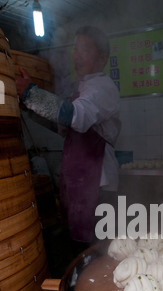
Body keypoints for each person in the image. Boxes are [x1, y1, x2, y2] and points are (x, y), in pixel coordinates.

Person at [16, 26, 121, 255]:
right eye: (75, 49)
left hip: (98, 185)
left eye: (84, 49)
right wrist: (30, 106)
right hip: (80, 183)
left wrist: (31, 94)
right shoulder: (82, 87)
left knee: (98, 250)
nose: (76, 55)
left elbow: (75, 116)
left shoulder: (102, 87)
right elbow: (62, 126)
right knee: (80, 248)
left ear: (102, 58)